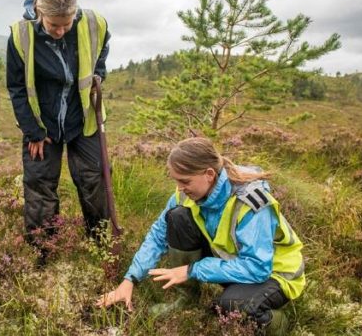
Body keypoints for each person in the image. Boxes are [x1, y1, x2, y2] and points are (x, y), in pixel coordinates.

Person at [96, 137, 305, 335]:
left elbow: (258, 268)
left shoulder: (249, 202)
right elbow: (158, 235)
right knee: (177, 217)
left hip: (274, 274)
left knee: (230, 307)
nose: (179, 188)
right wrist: (130, 279)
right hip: (232, 262)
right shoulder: (186, 193)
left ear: (209, 174)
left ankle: (280, 323)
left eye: (185, 181)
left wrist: (193, 270)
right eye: (176, 180)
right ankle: (186, 300)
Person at [6, 0, 111, 245]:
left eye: (66, 24)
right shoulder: (21, 35)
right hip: (42, 124)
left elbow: (102, 48)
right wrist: (33, 131)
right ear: (40, 11)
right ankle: (43, 249)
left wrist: (99, 72)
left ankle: (99, 242)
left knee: (94, 178)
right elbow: (17, 87)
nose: (61, 30)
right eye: (54, 24)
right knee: (40, 184)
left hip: (84, 118)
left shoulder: (94, 23)